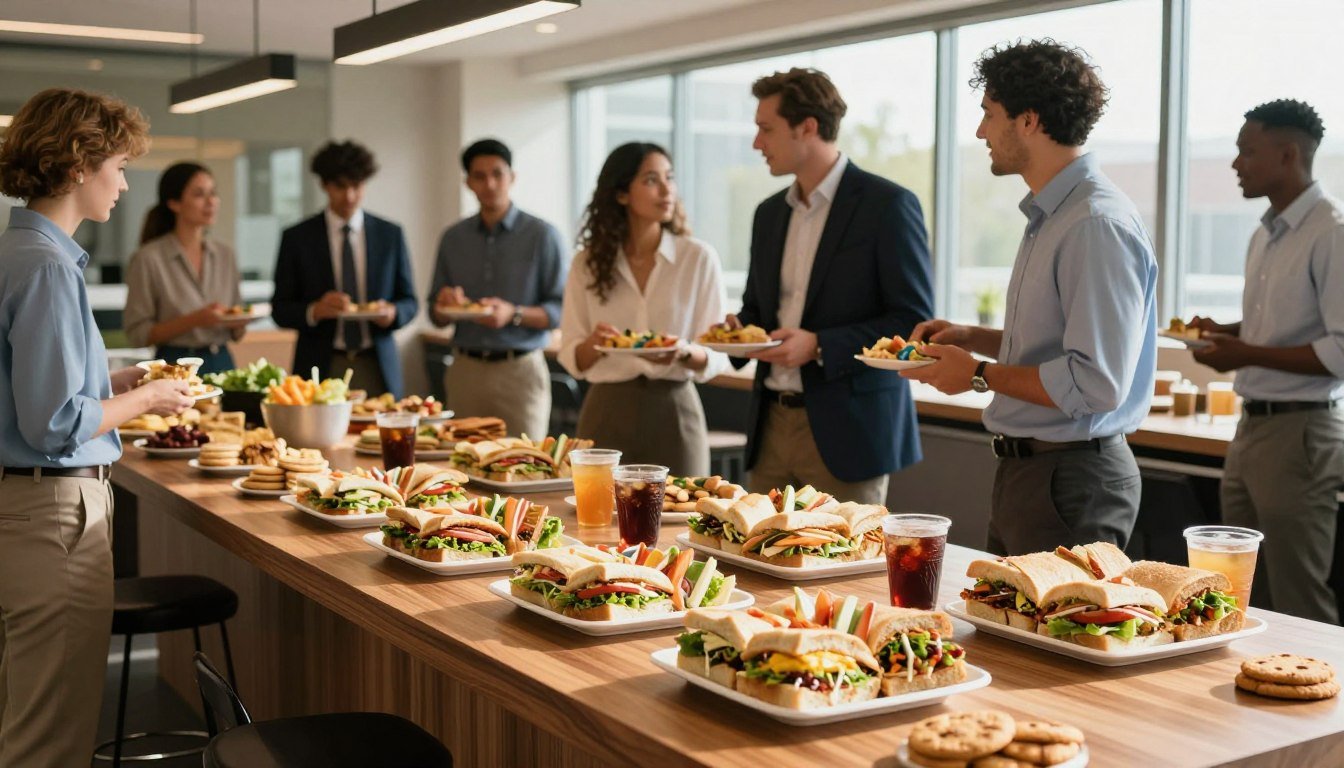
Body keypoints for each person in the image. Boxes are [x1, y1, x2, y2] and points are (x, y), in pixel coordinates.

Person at [0, 88, 194, 768]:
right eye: (118, 162)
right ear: (80, 164)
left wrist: (114, 385)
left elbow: (24, 393)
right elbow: (54, 423)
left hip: (21, 512)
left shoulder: (16, 253)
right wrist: (151, 401)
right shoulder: (50, 268)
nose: (124, 180)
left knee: (23, 721)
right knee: (49, 741)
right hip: (52, 519)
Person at [903, 41, 1157, 555]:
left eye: (988, 114)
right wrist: (973, 338)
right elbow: (1059, 346)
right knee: (1006, 634)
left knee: (1048, 636)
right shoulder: (1056, 215)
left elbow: (1095, 382)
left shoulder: (1094, 223)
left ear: (1029, 121)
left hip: (1070, 479)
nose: (980, 132)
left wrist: (976, 374)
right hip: (1035, 472)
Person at [729, 67, 935, 506]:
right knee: (752, 561)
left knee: (843, 567)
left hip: (850, 434)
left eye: (766, 129)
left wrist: (820, 344)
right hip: (769, 428)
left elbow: (912, 320)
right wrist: (737, 331)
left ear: (807, 127)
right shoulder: (768, 214)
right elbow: (757, 311)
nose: (756, 143)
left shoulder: (888, 206)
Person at [1186, 99, 1344, 623]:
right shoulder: (1266, 234)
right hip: (1251, 427)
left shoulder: (1332, 232)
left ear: (1288, 154)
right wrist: (1224, 334)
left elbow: (1340, 351)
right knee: (1237, 593)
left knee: (1299, 594)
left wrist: (1243, 352)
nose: (1235, 164)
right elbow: (1278, 328)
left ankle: (1316, 693)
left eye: (1246, 151)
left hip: (1300, 436)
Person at [558, 142, 729, 474]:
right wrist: (594, 344)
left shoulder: (697, 258)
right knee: (597, 519)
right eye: (651, 180)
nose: (666, 189)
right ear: (621, 194)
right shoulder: (587, 263)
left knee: (681, 517)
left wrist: (681, 352)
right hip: (606, 407)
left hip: (674, 407)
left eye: (670, 177)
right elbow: (572, 355)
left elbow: (718, 352)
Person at [428, 139, 566, 437]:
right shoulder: (453, 238)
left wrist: (513, 313)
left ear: (511, 177)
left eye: (497, 174)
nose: (490, 183)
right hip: (465, 370)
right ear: (468, 183)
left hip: (520, 372)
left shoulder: (543, 235)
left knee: (526, 465)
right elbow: (435, 314)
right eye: (479, 176)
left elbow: (560, 310)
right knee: (461, 464)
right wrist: (446, 305)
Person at [271, 140, 418, 396]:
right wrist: (314, 310)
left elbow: (410, 300)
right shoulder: (298, 237)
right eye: (340, 186)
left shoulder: (389, 235)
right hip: (320, 363)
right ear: (325, 185)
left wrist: (392, 313)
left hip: (377, 362)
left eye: (356, 186)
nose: (349, 196)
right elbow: (280, 308)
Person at [123, 161, 244, 374]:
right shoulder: (148, 258)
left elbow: (238, 331)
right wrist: (196, 320)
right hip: (174, 365)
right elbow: (138, 334)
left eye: (213, 193)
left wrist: (238, 322)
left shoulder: (226, 255)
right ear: (174, 203)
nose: (211, 202)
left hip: (223, 362)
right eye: (199, 194)